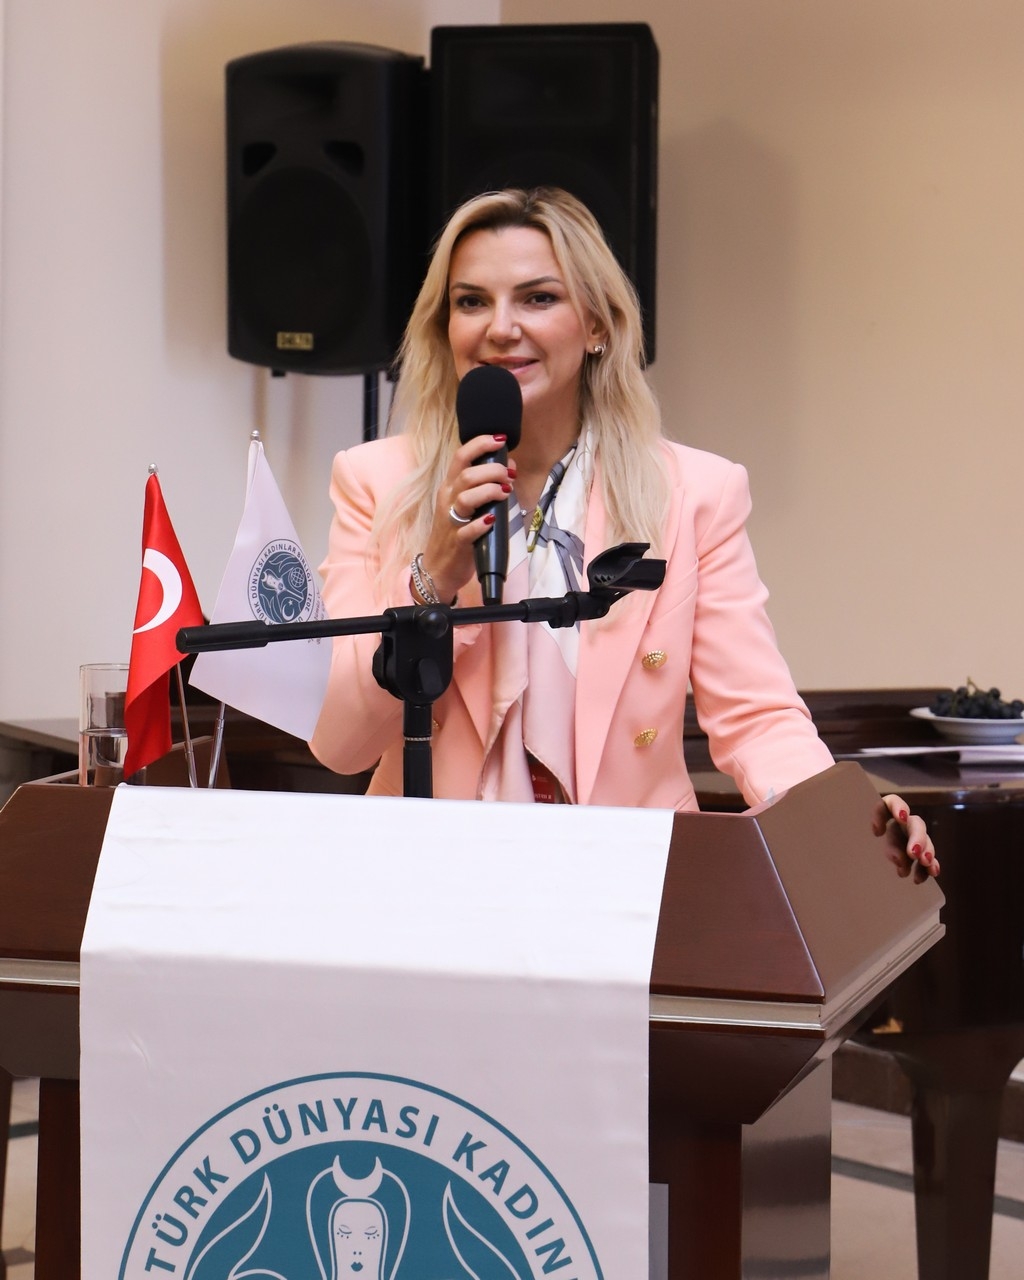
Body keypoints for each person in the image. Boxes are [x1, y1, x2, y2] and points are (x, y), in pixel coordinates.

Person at [309, 186, 937, 881]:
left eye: (538, 298)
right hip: (430, 883)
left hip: (632, 884)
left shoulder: (694, 493)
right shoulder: (375, 482)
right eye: (472, 301)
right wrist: (432, 576)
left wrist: (849, 826)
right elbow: (342, 745)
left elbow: (756, 718)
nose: (500, 327)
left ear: (598, 326)